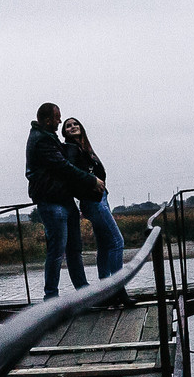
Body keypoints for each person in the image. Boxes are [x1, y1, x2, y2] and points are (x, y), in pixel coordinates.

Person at [24, 102, 101, 296]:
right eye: (57, 118)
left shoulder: (49, 137)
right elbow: (62, 167)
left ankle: (83, 292)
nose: (60, 121)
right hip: (51, 201)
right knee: (57, 252)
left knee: (74, 249)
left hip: (64, 200)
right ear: (48, 119)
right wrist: (91, 180)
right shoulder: (41, 140)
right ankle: (51, 296)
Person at [60, 116, 125, 280]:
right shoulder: (70, 149)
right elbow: (72, 175)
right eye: (68, 126)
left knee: (104, 245)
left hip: (100, 198)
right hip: (93, 201)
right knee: (117, 242)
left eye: (75, 124)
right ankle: (117, 288)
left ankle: (105, 287)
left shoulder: (85, 148)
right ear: (64, 132)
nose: (73, 127)